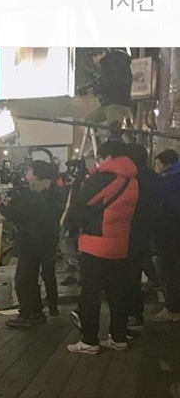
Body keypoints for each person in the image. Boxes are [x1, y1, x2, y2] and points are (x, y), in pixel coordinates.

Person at [66, 140, 138, 354]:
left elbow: (79, 204)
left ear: (108, 157)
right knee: (117, 293)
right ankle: (118, 338)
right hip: (119, 244)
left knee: (90, 294)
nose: (98, 163)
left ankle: (89, 341)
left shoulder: (105, 177)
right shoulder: (132, 179)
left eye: (100, 159)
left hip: (96, 244)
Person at [0, 160, 61, 329]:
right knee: (32, 279)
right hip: (44, 242)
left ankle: (28, 314)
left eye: (30, 170)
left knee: (23, 280)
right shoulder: (51, 192)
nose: (27, 173)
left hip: (31, 243)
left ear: (36, 174)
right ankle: (37, 312)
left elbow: (18, 214)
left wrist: (0, 206)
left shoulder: (33, 194)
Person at [121, 143, 160, 332]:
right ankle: (135, 314)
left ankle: (132, 314)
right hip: (147, 229)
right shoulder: (154, 177)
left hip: (130, 230)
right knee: (134, 273)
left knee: (128, 275)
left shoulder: (130, 178)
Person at [150, 148, 180, 322]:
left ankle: (173, 309)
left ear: (166, 164)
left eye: (158, 164)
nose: (157, 168)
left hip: (171, 229)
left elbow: (152, 192)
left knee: (170, 268)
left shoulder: (170, 178)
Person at [87, 49, 133, 132]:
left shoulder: (109, 64)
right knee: (89, 120)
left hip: (113, 105)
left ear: (102, 53)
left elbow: (108, 83)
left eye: (94, 56)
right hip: (122, 103)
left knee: (115, 133)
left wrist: (94, 89)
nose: (93, 59)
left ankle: (99, 139)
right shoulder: (119, 63)